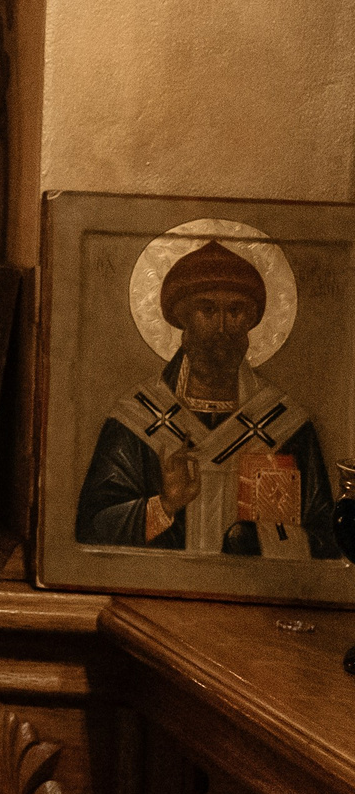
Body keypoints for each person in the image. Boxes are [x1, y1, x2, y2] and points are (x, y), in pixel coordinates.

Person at [74, 239, 339, 559]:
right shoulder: (137, 418)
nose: (223, 326)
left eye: (236, 310)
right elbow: (93, 528)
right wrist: (164, 505)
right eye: (208, 310)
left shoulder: (285, 426)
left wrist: (258, 540)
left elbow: (327, 539)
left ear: (251, 321)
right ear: (182, 318)